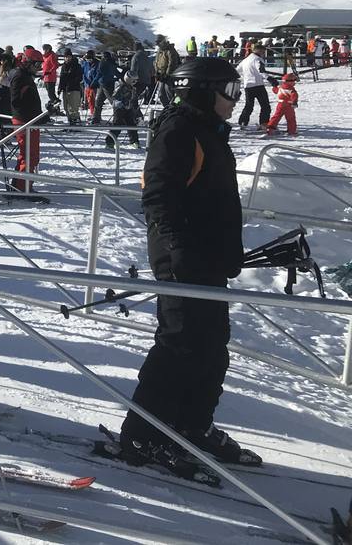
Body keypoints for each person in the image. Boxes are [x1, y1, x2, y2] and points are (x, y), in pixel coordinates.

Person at [117, 57, 260, 476]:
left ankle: (191, 426)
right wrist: (177, 249)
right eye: (229, 92)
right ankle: (144, 434)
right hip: (183, 259)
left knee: (213, 347)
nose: (235, 101)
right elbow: (158, 193)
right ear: (203, 90)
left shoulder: (206, 130)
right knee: (179, 345)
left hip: (207, 257)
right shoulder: (179, 129)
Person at [6, 50, 44, 199]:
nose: (38, 68)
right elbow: (16, 102)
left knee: (31, 155)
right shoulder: (20, 77)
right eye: (37, 64)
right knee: (29, 155)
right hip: (25, 120)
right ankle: (21, 188)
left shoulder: (26, 76)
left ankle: (21, 185)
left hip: (30, 119)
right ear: (28, 62)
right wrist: (33, 114)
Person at [236, 43, 273, 130]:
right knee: (265, 106)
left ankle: (243, 122)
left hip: (248, 86)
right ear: (258, 50)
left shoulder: (245, 60)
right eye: (263, 51)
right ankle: (264, 123)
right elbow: (261, 71)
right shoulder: (257, 59)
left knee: (249, 105)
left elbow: (237, 70)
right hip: (258, 85)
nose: (263, 53)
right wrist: (270, 79)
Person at [105, 70, 142, 150]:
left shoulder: (131, 87)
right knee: (117, 124)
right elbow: (114, 96)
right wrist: (123, 101)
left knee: (131, 124)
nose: (135, 82)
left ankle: (134, 141)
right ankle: (109, 142)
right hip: (119, 108)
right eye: (133, 81)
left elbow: (133, 97)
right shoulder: (121, 86)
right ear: (128, 79)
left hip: (128, 107)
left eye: (136, 81)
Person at [265, 72, 300, 136]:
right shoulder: (291, 89)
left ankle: (270, 128)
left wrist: (274, 86)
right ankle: (292, 131)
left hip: (280, 104)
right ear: (289, 81)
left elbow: (275, 91)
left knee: (276, 116)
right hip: (289, 105)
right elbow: (294, 96)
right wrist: (294, 102)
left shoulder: (280, 87)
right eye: (294, 81)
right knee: (291, 118)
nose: (294, 82)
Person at [91, 51, 119, 124]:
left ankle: (117, 118)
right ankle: (96, 118)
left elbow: (99, 74)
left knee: (107, 101)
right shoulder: (112, 63)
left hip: (104, 84)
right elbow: (116, 72)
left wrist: (93, 83)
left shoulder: (102, 63)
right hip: (109, 84)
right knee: (100, 101)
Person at [57, 50, 84, 124]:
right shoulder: (64, 66)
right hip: (65, 89)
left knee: (73, 107)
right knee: (66, 107)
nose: (67, 58)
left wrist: (71, 81)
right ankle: (70, 121)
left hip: (73, 88)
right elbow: (62, 78)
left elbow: (79, 77)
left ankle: (75, 121)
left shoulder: (76, 65)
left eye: (69, 57)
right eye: (66, 57)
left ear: (71, 57)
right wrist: (60, 87)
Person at [40, 44, 59, 109]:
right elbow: (45, 67)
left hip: (51, 78)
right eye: (43, 49)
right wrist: (43, 75)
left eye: (45, 49)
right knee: (49, 93)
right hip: (46, 78)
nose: (44, 51)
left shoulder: (51, 56)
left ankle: (56, 104)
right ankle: (54, 105)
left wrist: (50, 71)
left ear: (48, 49)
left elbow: (55, 65)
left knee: (51, 93)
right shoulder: (45, 57)